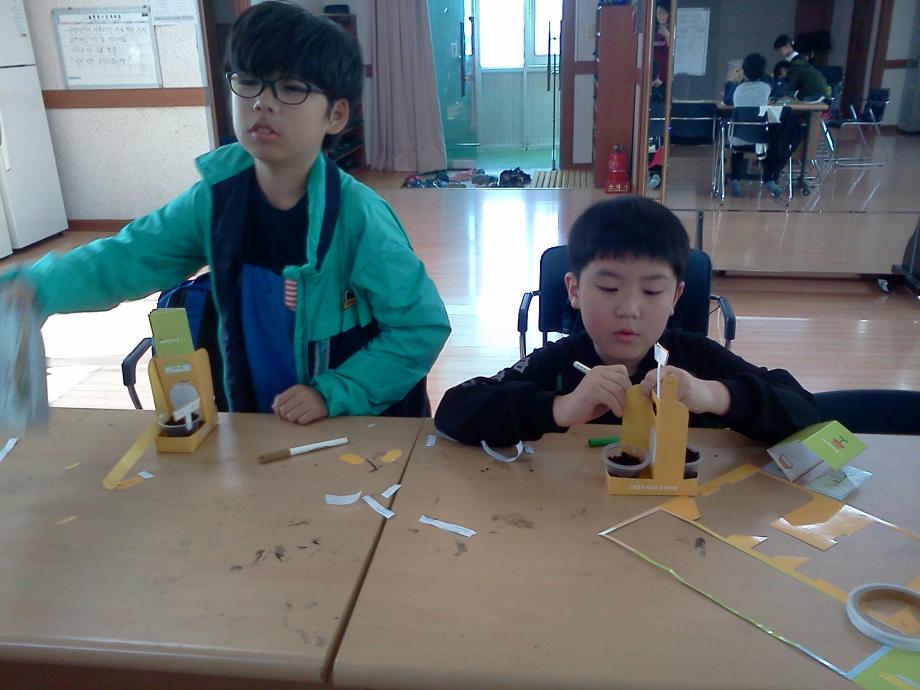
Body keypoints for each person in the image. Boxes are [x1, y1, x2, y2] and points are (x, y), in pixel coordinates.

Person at [0, 1, 451, 425]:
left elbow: (420, 327)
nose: (262, 102)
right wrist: (38, 286)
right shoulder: (216, 199)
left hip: (357, 424)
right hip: (254, 413)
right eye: (248, 81)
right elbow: (129, 256)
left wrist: (335, 392)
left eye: (291, 88)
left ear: (335, 115)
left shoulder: (358, 217)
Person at [435, 197, 818, 447]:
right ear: (574, 290)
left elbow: (809, 413)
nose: (629, 310)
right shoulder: (560, 361)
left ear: (675, 298)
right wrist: (560, 408)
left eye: (651, 291)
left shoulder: (696, 358)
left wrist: (714, 396)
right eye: (608, 288)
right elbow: (455, 409)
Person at [725, 53, 782, 198]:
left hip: (737, 139)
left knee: (737, 146)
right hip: (760, 138)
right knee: (764, 144)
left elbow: (727, 101)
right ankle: (769, 179)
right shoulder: (767, 88)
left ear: (743, 71)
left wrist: (731, 82)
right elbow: (778, 95)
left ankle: (735, 179)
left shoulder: (738, 89)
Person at [648, 1, 671, 191]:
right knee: (651, 131)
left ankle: (659, 171)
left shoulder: (672, 33)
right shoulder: (651, 32)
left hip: (665, 87)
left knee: (662, 131)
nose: (660, 17)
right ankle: (652, 171)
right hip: (650, 84)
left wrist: (669, 38)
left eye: (664, 13)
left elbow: (673, 60)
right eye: (658, 13)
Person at [773, 34, 828, 101]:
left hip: (813, 94)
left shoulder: (797, 63)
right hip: (818, 92)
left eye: (780, 49)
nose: (779, 53)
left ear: (787, 45)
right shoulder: (799, 60)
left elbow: (789, 86)